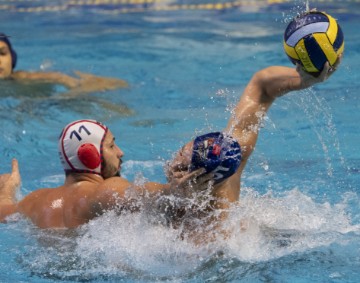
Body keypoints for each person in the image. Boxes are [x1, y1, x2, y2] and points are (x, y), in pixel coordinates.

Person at [0, 58, 340, 230]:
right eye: (112, 146)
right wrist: (175, 191)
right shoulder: (104, 192)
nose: (121, 152)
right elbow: (141, 196)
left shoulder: (33, 202)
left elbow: (4, 212)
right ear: (90, 155)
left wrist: (8, 190)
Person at [0, 33, 128, 96]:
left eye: (2, 53)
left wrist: (70, 92)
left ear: (13, 59)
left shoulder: (25, 78)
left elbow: (61, 78)